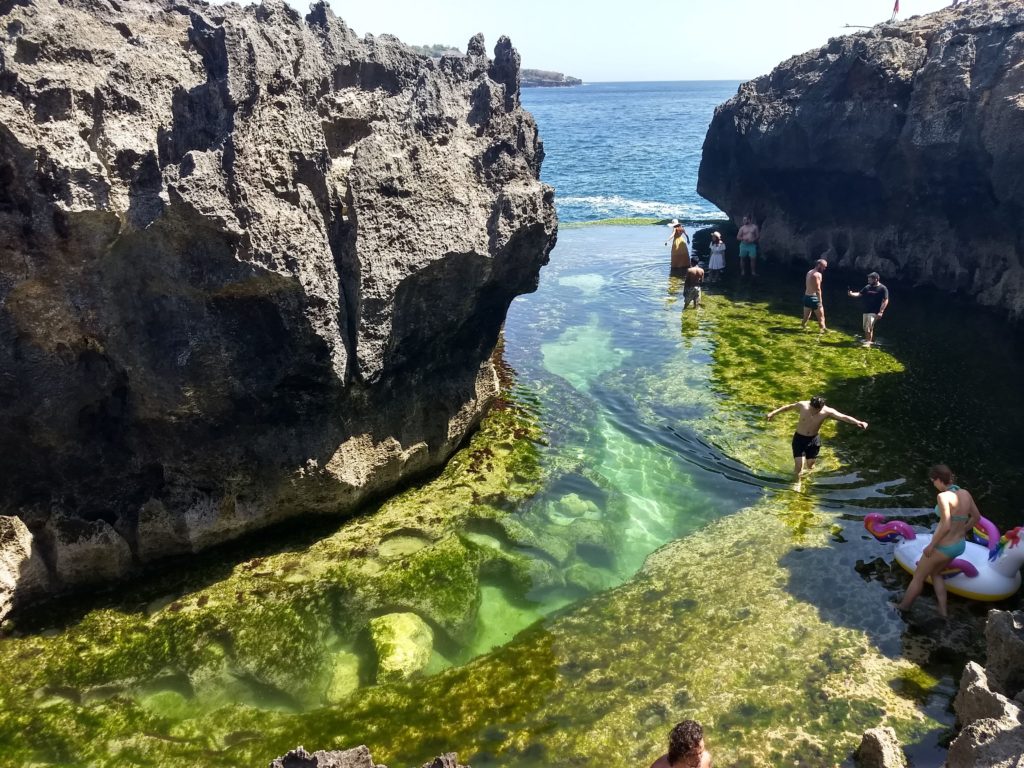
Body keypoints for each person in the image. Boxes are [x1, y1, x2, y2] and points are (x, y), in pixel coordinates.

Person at [896, 464, 982, 617]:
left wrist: (931, 545)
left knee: (918, 577)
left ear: (938, 480)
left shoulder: (943, 497)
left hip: (943, 546)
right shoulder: (965, 493)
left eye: (933, 481)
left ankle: (903, 607)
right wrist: (963, 530)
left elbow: (946, 525)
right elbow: (976, 518)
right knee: (936, 573)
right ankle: (943, 611)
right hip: (959, 545)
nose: (934, 485)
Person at [765, 395, 867, 482]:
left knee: (810, 466)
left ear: (821, 408)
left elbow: (843, 417)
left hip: (813, 440)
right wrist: (773, 413)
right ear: (810, 404)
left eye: (816, 410)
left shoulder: (827, 411)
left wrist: (858, 422)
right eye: (812, 408)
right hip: (799, 439)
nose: (814, 411)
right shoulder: (802, 405)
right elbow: (788, 407)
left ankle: (808, 479)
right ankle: (797, 484)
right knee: (799, 466)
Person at [847, 272, 889, 345]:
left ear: (876, 279)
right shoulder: (867, 287)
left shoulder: (883, 288)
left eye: (870, 280)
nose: (868, 281)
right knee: (866, 328)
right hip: (866, 311)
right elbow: (859, 294)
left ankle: (867, 344)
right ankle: (869, 341)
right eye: (868, 279)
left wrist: (881, 312)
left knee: (868, 327)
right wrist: (851, 294)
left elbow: (886, 300)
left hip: (875, 311)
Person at [801, 259, 828, 331]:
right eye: (823, 267)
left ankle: (803, 327)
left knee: (806, 317)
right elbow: (818, 289)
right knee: (821, 319)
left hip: (806, 297)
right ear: (819, 265)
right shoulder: (817, 275)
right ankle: (823, 332)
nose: (824, 269)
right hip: (814, 298)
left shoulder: (809, 272)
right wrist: (820, 302)